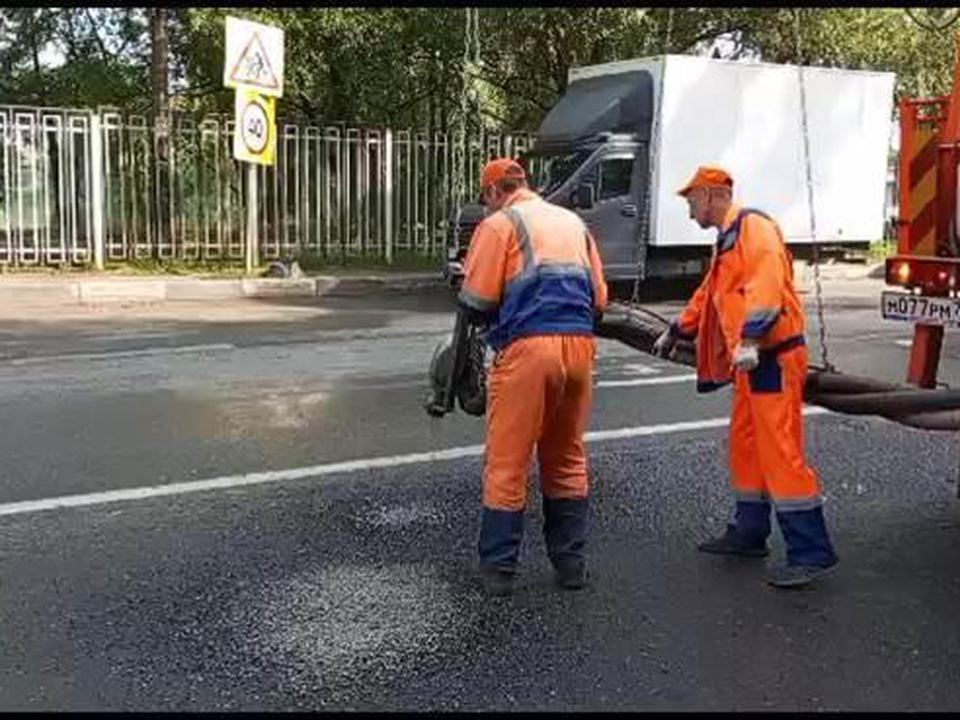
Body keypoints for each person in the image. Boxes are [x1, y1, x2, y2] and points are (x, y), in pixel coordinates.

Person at [653, 165, 839, 589]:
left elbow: (767, 285)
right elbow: (711, 294)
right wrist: (678, 327)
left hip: (771, 357)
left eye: (691, 201)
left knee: (779, 451)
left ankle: (812, 551)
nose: (689, 210)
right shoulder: (730, 238)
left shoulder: (754, 229)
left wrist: (752, 338)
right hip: (754, 361)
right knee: (746, 446)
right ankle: (750, 532)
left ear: (713, 194)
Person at [456, 157, 608, 596]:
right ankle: (571, 566)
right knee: (566, 458)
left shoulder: (500, 225)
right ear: (525, 184)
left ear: (492, 192)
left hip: (527, 351)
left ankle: (499, 571)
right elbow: (598, 299)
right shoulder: (572, 223)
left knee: (507, 462)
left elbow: (478, 301)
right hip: (579, 349)